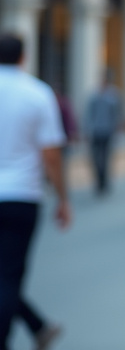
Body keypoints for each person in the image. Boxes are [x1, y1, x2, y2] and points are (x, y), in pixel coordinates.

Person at [0, 32, 71, 350]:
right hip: (22, 196)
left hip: (20, 195)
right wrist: (63, 198)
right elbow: (52, 155)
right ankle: (35, 327)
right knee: (9, 274)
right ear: (23, 56)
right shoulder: (38, 94)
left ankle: (36, 326)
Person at [85, 72, 121, 197]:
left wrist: (116, 128)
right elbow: (89, 113)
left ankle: (104, 182)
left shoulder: (113, 95)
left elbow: (117, 114)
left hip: (107, 132)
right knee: (95, 159)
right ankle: (98, 181)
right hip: (95, 131)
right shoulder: (94, 94)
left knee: (105, 159)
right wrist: (87, 129)